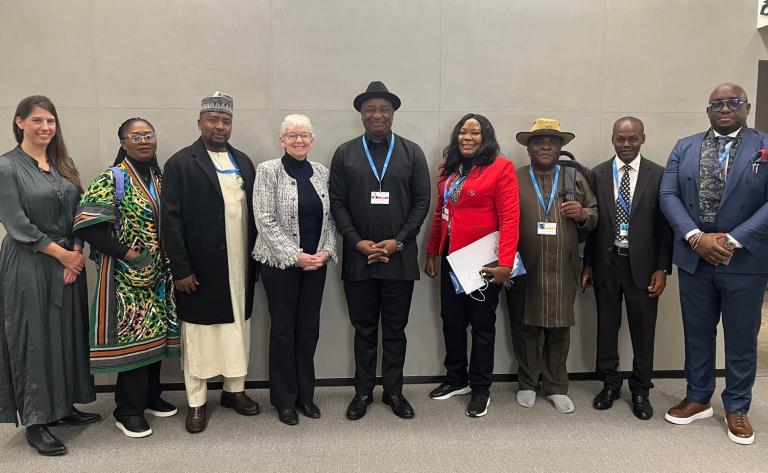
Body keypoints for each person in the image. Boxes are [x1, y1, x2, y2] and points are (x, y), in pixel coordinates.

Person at [659, 83, 768, 445]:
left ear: (746, 107)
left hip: (744, 260)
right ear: (708, 110)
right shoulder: (684, 146)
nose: (725, 108)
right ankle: (698, 397)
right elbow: (668, 194)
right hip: (695, 259)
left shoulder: (764, 145)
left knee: (740, 339)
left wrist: (731, 239)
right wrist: (695, 237)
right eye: (717, 103)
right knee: (697, 333)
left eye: (733, 102)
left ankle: (737, 406)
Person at [0, 95, 98, 456]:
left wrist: (75, 251)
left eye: (51, 121)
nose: (45, 127)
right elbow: (16, 223)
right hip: (30, 262)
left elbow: (80, 211)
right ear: (20, 122)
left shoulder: (63, 163)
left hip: (67, 259)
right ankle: (37, 420)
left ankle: (64, 406)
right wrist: (63, 257)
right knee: (35, 338)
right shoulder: (6, 167)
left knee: (67, 334)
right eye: (38, 120)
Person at [329, 81, 431, 420]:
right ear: (361, 114)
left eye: (383, 109)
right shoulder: (345, 153)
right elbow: (338, 203)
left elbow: (421, 203)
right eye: (370, 109)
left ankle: (394, 392)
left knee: (395, 330)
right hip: (359, 260)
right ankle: (362, 393)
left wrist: (398, 240)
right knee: (364, 330)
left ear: (393, 114)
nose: (377, 115)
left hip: (399, 258)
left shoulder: (412, 152)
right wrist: (356, 241)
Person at [74, 117, 180, 437]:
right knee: (134, 340)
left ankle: (149, 397)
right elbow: (89, 226)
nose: (144, 140)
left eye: (149, 135)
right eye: (136, 137)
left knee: (155, 337)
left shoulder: (160, 177)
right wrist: (129, 254)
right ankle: (127, 409)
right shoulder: (113, 178)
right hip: (127, 279)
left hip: (159, 277)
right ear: (123, 142)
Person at [162, 92, 260, 434]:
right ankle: (197, 403)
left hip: (239, 267)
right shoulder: (180, 163)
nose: (220, 126)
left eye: (226, 121)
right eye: (213, 120)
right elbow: (170, 222)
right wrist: (181, 269)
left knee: (238, 330)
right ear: (200, 122)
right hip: (200, 270)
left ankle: (235, 392)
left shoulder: (244, 161)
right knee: (200, 337)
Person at [424, 113, 519, 417]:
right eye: (463, 132)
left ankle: (480, 389)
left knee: (481, 326)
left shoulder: (501, 168)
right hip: (452, 259)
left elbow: (510, 219)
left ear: (486, 137)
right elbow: (441, 211)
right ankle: (456, 379)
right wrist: (431, 251)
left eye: (475, 133)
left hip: (484, 263)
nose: (467, 137)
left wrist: (505, 263)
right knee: (451, 321)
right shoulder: (449, 169)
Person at [580, 117, 672, 420]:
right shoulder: (598, 174)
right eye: (621, 139)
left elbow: (665, 228)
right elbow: (592, 226)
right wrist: (589, 264)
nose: (626, 144)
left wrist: (662, 268)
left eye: (633, 139)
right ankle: (609, 383)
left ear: (643, 139)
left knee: (643, 330)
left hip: (644, 268)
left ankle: (641, 389)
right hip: (608, 263)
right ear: (613, 139)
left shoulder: (658, 175)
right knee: (607, 326)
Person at [507, 118, 598, 414]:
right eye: (539, 142)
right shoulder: (515, 177)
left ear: (560, 148)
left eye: (553, 142)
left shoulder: (574, 177)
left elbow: (596, 216)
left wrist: (583, 213)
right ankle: (527, 383)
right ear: (529, 147)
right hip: (524, 265)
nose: (546, 146)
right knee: (525, 325)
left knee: (559, 328)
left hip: (563, 266)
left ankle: (556, 386)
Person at [252, 114, 337, 426]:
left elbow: (331, 218)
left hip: (316, 265)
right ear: (282, 140)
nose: (299, 140)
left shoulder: (322, 173)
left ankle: (306, 396)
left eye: (304, 135)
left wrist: (325, 252)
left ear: (312, 140)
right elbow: (264, 218)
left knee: (309, 331)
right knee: (284, 331)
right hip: (280, 266)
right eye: (292, 135)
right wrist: (297, 255)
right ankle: (284, 400)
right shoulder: (268, 171)